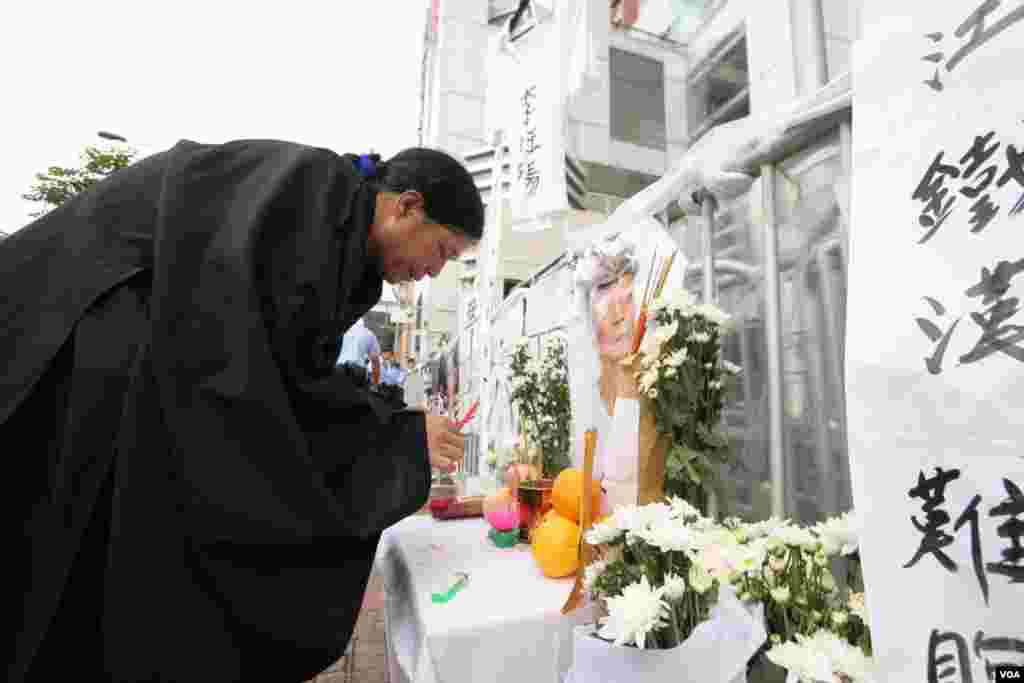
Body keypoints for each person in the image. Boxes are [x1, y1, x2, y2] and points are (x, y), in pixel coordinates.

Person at [2, 139, 484, 682]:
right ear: (406, 206)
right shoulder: (312, 196)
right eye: (442, 251)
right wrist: (401, 441)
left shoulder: (337, 231)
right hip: (89, 356)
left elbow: (291, 374)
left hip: (131, 370)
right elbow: (253, 383)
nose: (434, 271)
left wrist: (393, 432)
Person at [572, 233, 642, 515]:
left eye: (627, 300)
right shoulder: (591, 389)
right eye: (604, 301)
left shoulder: (642, 390)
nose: (616, 316)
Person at [336, 315, 381, 387]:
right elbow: (375, 362)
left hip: (339, 369)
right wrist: (375, 384)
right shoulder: (369, 334)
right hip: (358, 371)